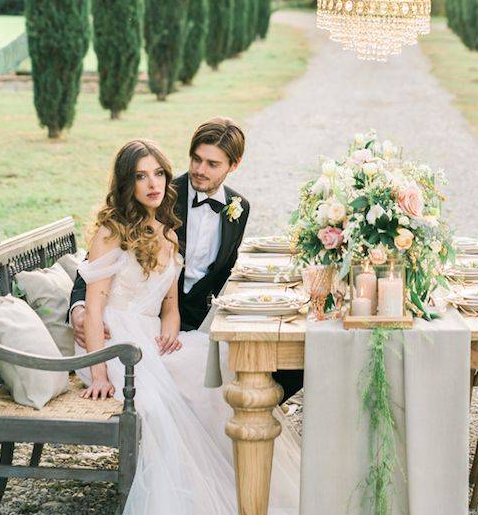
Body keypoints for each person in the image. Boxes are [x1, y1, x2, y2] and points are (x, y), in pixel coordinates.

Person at [74, 137, 299, 515]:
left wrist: (170, 333)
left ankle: (243, 489)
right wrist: (99, 372)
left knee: (216, 375)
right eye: (141, 176)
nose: (154, 183)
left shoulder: (168, 233)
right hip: (114, 341)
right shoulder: (110, 233)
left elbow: (171, 306)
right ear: (126, 183)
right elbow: (96, 308)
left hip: (153, 336)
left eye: (158, 173)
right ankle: (186, 509)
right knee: (159, 406)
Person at [70, 118, 304, 402]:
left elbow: (225, 274)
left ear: (234, 165)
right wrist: (78, 308)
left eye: (212, 164)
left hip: (192, 322)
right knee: (222, 376)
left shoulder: (239, 208)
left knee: (284, 360)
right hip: (137, 327)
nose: (200, 170)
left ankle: (256, 416)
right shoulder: (162, 194)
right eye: (196, 159)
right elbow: (94, 269)